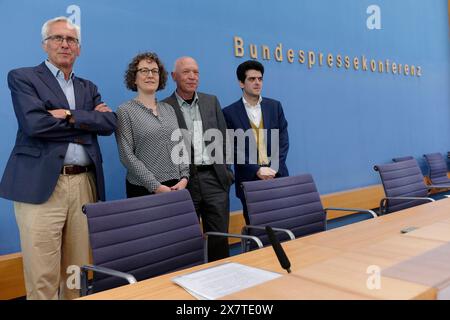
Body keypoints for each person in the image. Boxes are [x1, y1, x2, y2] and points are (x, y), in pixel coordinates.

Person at [0, 17, 117, 300]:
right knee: (43, 276)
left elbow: (109, 123)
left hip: (83, 184)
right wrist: (88, 120)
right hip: (40, 186)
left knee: (76, 272)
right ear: (45, 45)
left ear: (79, 49)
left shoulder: (87, 87)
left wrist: (67, 115)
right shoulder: (23, 76)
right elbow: (35, 125)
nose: (65, 44)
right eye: (58, 38)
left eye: (72, 40)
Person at [163, 56, 234, 261]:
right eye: (186, 72)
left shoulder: (211, 101)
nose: (192, 76)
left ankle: (222, 286)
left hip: (215, 179)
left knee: (219, 240)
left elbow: (224, 138)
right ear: (174, 76)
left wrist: (226, 173)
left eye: (196, 72)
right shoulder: (164, 107)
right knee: (186, 241)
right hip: (184, 183)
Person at [223, 60, 289, 224]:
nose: (257, 82)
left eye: (260, 78)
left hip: (277, 177)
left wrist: (273, 167)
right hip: (249, 180)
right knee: (257, 228)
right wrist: (256, 170)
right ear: (241, 83)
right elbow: (232, 148)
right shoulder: (229, 113)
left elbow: (283, 140)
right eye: (252, 79)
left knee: (285, 224)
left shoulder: (275, 106)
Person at [116, 52, 189, 197]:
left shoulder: (169, 109)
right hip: (143, 189)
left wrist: (185, 178)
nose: (150, 75)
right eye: (144, 71)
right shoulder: (125, 111)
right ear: (134, 78)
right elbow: (127, 156)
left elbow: (180, 147)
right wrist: (155, 186)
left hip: (176, 186)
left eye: (155, 71)